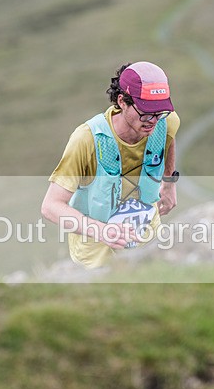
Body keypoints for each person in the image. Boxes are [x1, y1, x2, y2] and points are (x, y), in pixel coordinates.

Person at [41, 61, 181, 268]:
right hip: (96, 248)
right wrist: (101, 231)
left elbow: (168, 139)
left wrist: (169, 183)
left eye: (159, 112)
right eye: (145, 111)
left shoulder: (166, 121)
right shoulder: (86, 139)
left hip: (146, 236)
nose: (153, 120)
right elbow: (50, 206)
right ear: (122, 101)